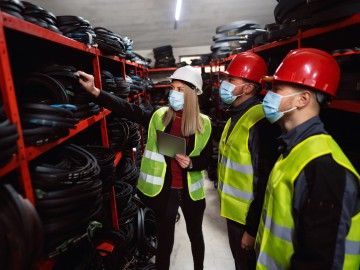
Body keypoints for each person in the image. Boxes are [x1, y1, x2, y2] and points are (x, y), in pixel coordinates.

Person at [77, 65, 212, 270]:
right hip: (164, 192)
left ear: (192, 94)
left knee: (196, 237)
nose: (173, 93)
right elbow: (127, 108)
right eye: (172, 88)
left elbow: (207, 159)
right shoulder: (159, 116)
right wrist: (96, 91)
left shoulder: (205, 124)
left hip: (191, 192)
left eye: (179, 90)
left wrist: (192, 162)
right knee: (165, 243)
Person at [257, 48, 360, 269]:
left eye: (277, 89)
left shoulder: (324, 167)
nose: (268, 95)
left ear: (303, 99)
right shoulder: (293, 146)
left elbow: (320, 260)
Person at [217, 52, 279, 270]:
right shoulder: (236, 114)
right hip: (235, 214)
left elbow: (265, 180)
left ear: (248, 88)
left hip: (248, 217)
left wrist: (251, 229)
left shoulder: (260, 121)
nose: (224, 84)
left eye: (231, 80)